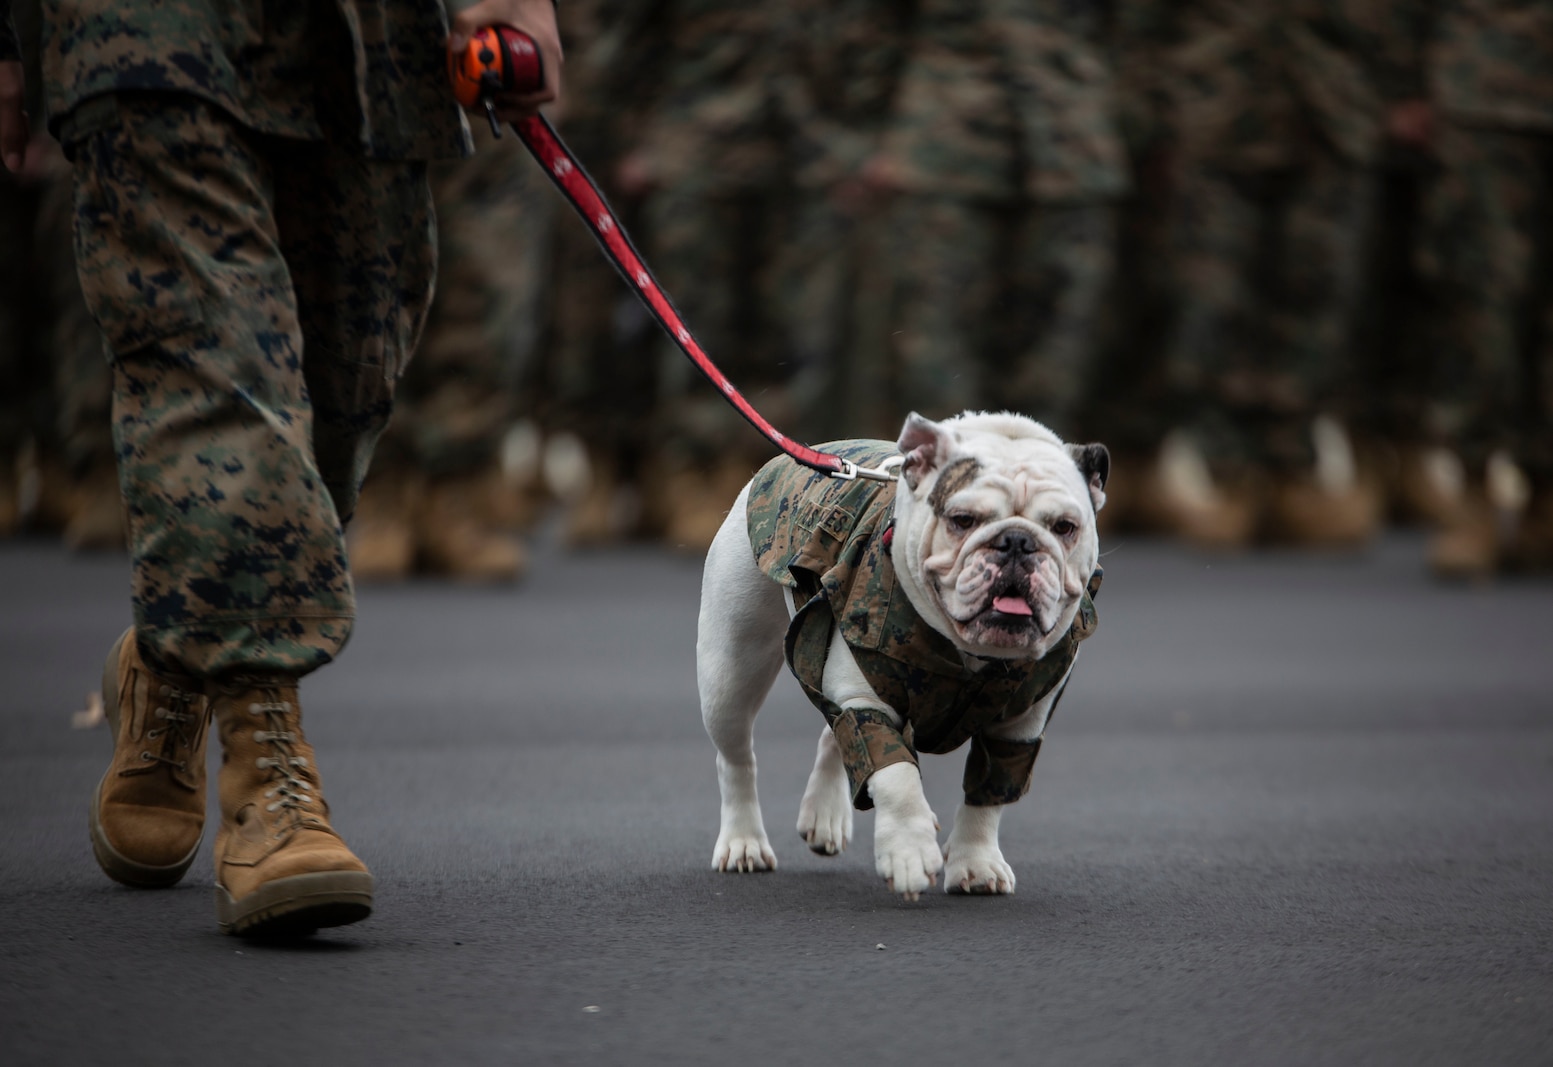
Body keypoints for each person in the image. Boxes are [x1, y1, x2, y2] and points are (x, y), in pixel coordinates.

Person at [0, 0, 563, 936]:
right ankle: (269, 780)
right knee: (216, 360)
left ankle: (171, 663)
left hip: (360, 41)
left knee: (347, 375)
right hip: (143, 32)